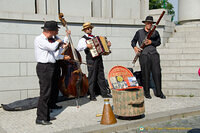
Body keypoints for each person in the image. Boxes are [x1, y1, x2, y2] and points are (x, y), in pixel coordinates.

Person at [34, 21, 70, 125]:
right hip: (44, 67)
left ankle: (46, 115)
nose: (58, 31)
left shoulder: (52, 40)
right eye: (57, 30)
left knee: (49, 92)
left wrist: (64, 40)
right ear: (51, 31)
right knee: (44, 93)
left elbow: (56, 52)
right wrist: (59, 41)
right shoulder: (39, 39)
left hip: (51, 66)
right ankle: (40, 118)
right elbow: (52, 47)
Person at [131, 16, 166, 99]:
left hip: (154, 54)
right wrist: (135, 48)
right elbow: (133, 41)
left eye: (151, 23)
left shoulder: (155, 32)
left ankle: (159, 92)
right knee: (145, 74)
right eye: (148, 23)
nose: (149, 24)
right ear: (145, 23)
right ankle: (146, 93)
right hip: (144, 55)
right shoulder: (139, 32)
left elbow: (158, 42)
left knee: (157, 73)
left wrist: (151, 42)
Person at [77, 22, 112, 101]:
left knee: (101, 75)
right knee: (92, 77)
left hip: (99, 58)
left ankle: (104, 93)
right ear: (85, 30)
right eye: (88, 28)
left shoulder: (95, 37)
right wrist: (86, 46)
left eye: (90, 28)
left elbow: (102, 47)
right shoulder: (83, 39)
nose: (90, 29)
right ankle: (92, 95)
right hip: (91, 59)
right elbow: (78, 48)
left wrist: (108, 45)